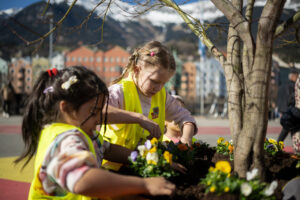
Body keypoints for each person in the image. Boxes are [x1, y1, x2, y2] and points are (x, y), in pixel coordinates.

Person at [14, 66, 178, 199]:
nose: (99, 118)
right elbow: (82, 179)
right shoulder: (67, 139)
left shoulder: (84, 133)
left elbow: (109, 149)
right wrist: (145, 185)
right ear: (66, 108)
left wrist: (152, 161)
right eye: (93, 111)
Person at [102, 41, 197, 170]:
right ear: (137, 70)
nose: (159, 88)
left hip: (148, 168)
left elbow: (185, 117)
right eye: (154, 81)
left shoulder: (162, 95)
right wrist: (138, 118)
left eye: (164, 83)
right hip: (114, 168)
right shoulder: (119, 92)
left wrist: (186, 138)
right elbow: (99, 112)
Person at [277, 68, 299, 142]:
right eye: (297, 77)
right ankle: (278, 144)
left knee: (287, 128)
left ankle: (278, 143)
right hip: (289, 109)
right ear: (293, 76)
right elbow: (291, 98)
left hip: (283, 109)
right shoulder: (292, 86)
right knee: (288, 128)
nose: (297, 78)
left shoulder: (283, 85)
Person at [280, 74, 300, 153]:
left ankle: (278, 144)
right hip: (294, 110)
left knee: (288, 130)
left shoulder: (295, 81)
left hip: (292, 110)